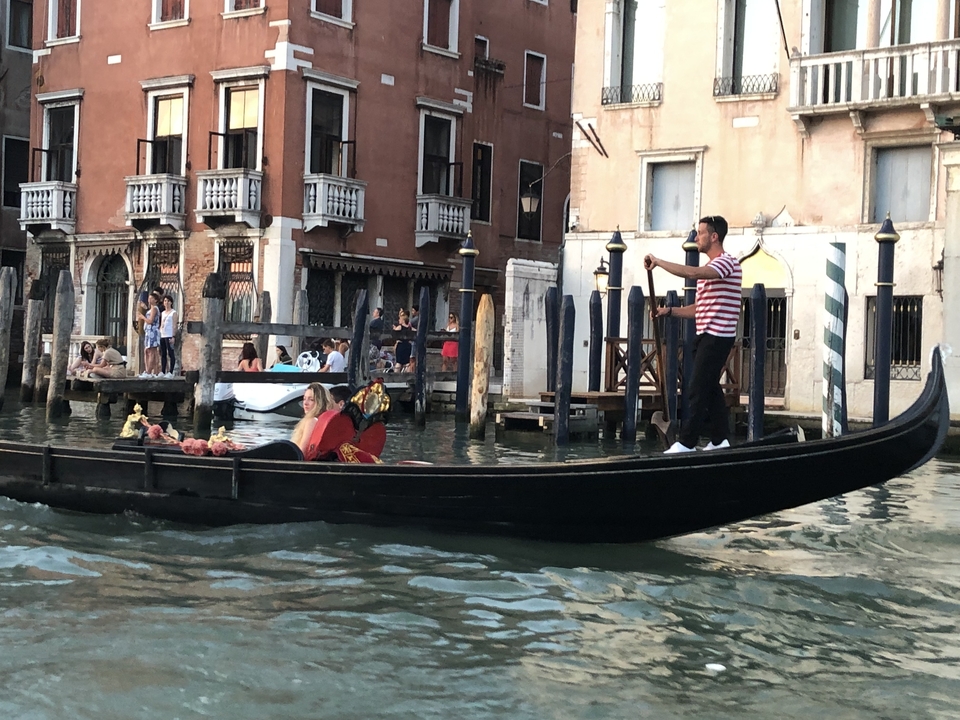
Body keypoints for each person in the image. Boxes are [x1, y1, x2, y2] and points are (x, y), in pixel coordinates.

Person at [644, 215, 742, 454]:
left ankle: (686, 444)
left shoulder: (726, 263)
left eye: (700, 233)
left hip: (718, 337)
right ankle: (720, 440)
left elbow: (693, 273)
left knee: (696, 390)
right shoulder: (713, 271)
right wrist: (668, 311)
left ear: (714, 236)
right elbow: (699, 309)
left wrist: (659, 262)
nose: (697, 237)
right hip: (705, 336)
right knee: (710, 388)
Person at [291, 382, 335, 455]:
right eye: (304, 399)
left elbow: (302, 451)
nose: (305, 403)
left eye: (311, 399)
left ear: (320, 402)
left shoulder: (311, 421)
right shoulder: (325, 421)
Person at [138, 291, 161, 377]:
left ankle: (148, 371)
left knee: (151, 351)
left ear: (155, 300)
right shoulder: (151, 309)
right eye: (149, 298)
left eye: (151, 298)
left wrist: (142, 317)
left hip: (152, 332)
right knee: (148, 351)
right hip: (148, 332)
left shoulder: (154, 308)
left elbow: (150, 321)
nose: (149, 299)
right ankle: (153, 371)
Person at [159, 294, 178, 376]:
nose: (166, 302)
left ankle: (171, 371)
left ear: (171, 302)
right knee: (163, 353)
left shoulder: (173, 313)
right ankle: (163, 371)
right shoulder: (163, 313)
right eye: (165, 301)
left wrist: (173, 336)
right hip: (163, 335)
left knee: (170, 353)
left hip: (169, 334)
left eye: (168, 301)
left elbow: (174, 325)